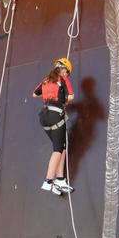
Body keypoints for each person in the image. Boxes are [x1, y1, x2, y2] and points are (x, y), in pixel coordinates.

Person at [33, 57, 75, 195]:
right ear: (64, 70)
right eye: (67, 73)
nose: (67, 75)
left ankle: (60, 180)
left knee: (61, 146)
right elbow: (71, 96)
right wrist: (62, 100)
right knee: (58, 149)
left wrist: (49, 97)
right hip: (55, 115)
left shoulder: (46, 79)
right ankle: (49, 180)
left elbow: (34, 94)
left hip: (44, 117)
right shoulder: (62, 79)